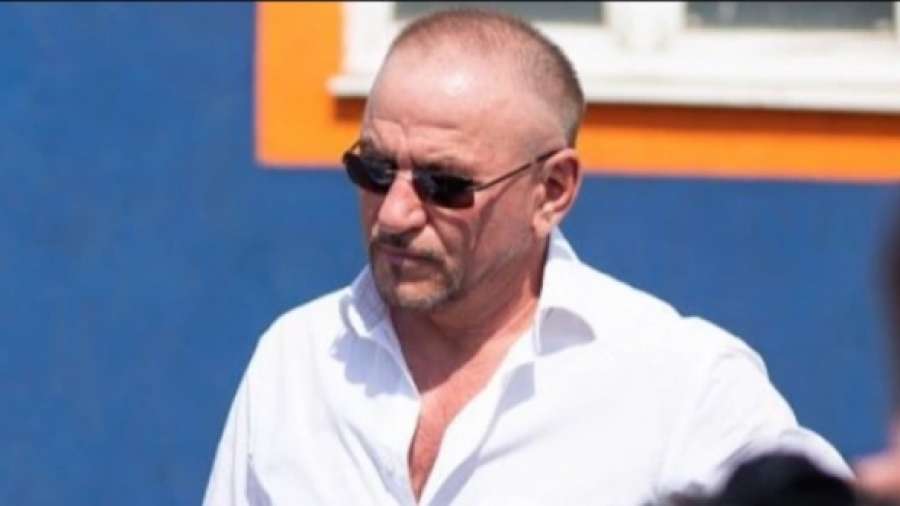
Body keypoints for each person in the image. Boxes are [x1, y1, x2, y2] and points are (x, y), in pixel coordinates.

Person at [203, 8, 849, 505]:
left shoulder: (679, 381)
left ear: (552, 191)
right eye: (372, 170)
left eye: (444, 184)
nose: (395, 214)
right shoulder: (296, 361)